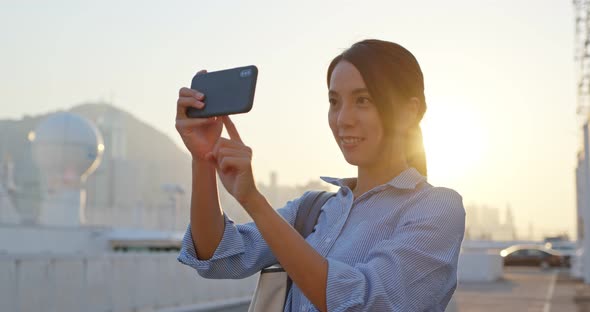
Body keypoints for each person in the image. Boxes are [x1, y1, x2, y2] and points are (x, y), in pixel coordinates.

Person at [175, 39, 466, 312]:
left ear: (408, 112)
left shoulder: (436, 208)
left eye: (363, 100)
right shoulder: (313, 209)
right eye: (334, 101)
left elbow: (366, 301)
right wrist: (203, 159)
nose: (343, 119)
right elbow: (218, 255)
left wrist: (253, 200)